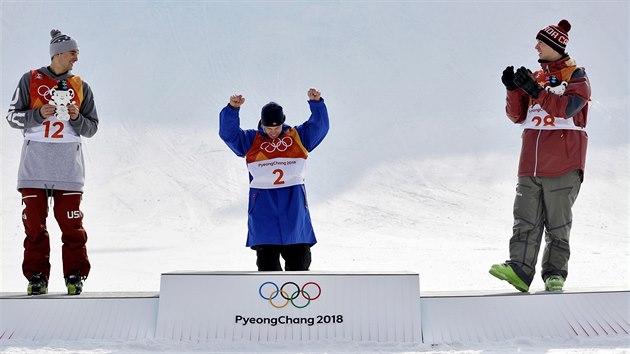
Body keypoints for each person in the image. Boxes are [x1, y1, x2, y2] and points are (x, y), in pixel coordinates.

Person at [490, 20, 591, 292]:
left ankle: (555, 274)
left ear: (555, 45)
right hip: (529, 163)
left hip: (563, 163)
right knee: (525, 219)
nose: (536, 46)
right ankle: (520, 269)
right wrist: (513, 89)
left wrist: (536, 92)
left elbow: (567, 107)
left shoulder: (577, 76)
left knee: (558, 224)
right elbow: (517, 116)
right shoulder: (536, 76)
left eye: (541, 42)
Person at [5, 29, 99, 295]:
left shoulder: (81, 86)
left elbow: (92, 128)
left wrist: (76, 117)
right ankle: (36, 277)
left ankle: (75, 276)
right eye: (73, 53)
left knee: (71, 225)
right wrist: (36, 114)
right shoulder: (30, 79)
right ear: (58, 54)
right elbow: (11, 117)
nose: (76, 59)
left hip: (68, 167)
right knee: (34, 226)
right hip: (34, 166)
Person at [219, 88, 329, 271]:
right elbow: (228, 135)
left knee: (299, 272)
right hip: (264, 217)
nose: (272, 132)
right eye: (268, 128)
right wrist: (232, 110)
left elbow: (320, 127)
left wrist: (317, 104)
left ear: (283, 123)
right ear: (262, 124)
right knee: (268, 275)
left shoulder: (298, 137)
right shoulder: (251, 140)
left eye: (276, 128)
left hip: (294, 216)